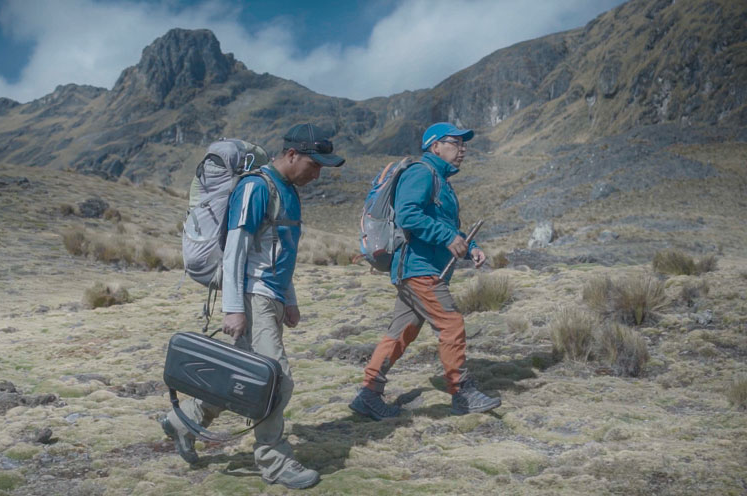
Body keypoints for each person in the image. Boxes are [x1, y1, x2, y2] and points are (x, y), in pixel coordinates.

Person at [161, 123, 344, 489]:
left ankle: (184, 420)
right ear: (292, 155)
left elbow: (281, 252)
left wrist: (289, 300)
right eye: (314, 163)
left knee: (245, 378)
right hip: (252, 297)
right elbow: (236, 252)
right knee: (277, 380)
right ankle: (275, 462)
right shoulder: (256, 188)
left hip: (271, 298)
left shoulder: (289, 191)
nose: (318, 172)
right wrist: (234, 308)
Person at [349, 122, 501, 421]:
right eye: (455, 143)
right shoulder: (421, 173)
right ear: (435, 146)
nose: (463, 149)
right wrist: (447, 239)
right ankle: (462, 393)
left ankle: (368, 394)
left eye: (463, 143)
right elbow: (408, 215)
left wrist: (471, 247)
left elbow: (447, 226)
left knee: (401, 332)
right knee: (451, 323)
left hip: (421, 269)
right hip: (419, 269)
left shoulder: (441, 181)